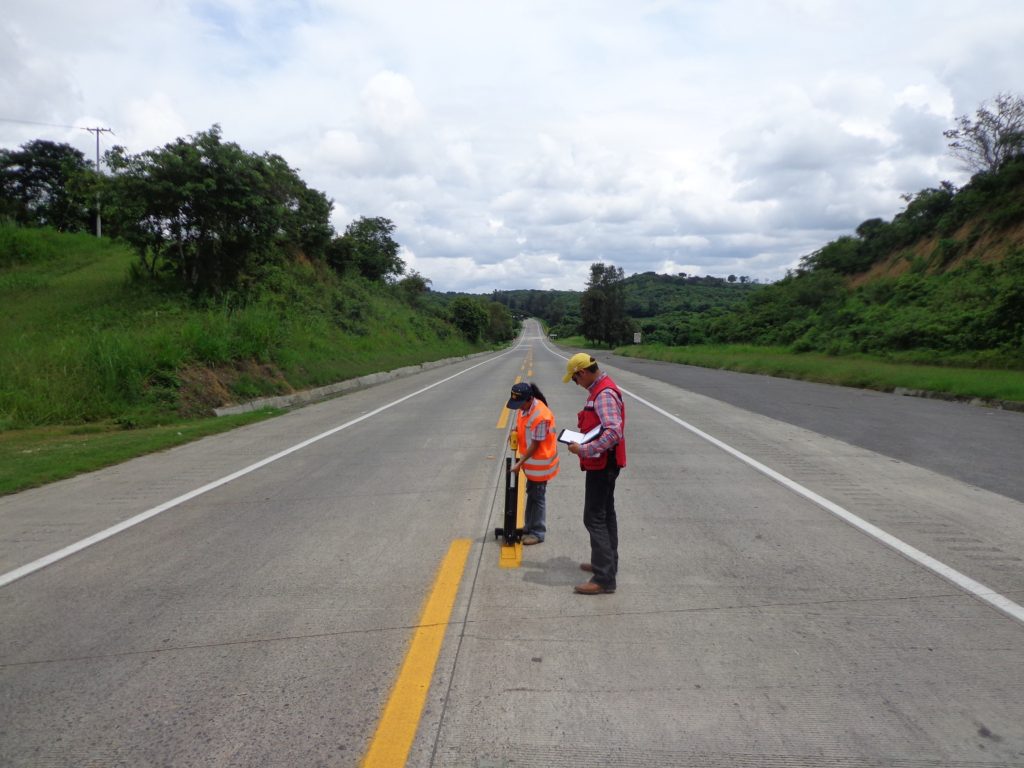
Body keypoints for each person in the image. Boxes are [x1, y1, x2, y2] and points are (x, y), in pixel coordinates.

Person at [562, 353, 626, 595]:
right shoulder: (600, 389)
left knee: (594, 518)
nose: (576, 383)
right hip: (604, 463)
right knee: (606, 514)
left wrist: (583, 449)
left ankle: (604, 578)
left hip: (603, 464)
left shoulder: (604, 394)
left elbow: (613, 433)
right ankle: (606, 563)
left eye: (575, 379)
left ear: (582, 373)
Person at [506, 382, 560, 545]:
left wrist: (519, 463)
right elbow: (523, 425)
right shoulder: (525, 409)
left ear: (529, 399)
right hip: (532, 464)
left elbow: (535, 444)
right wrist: (515, 430)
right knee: (532, 495)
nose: (518, 407)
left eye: (520, 403)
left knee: (538, 498)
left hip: (541, 465)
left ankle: (538, 532)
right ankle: (529, 527)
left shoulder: (541, 416)